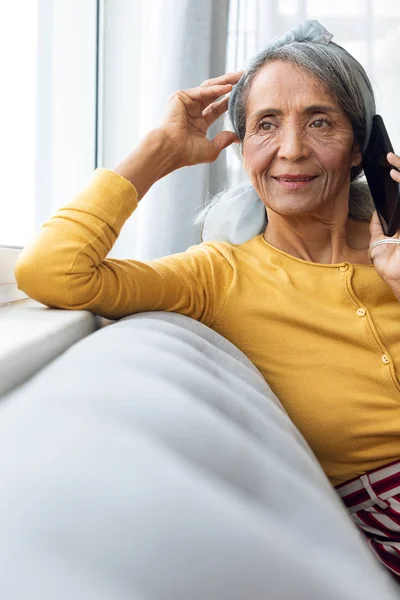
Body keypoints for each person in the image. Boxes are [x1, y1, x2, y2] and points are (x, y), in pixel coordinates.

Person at [14, 19, 400, 583]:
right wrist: (159, 151)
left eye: (320, 121)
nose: (291, 150)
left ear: (361, 146)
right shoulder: (216, 275)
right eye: (266, 125)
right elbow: (52, 270)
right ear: (242, 149)